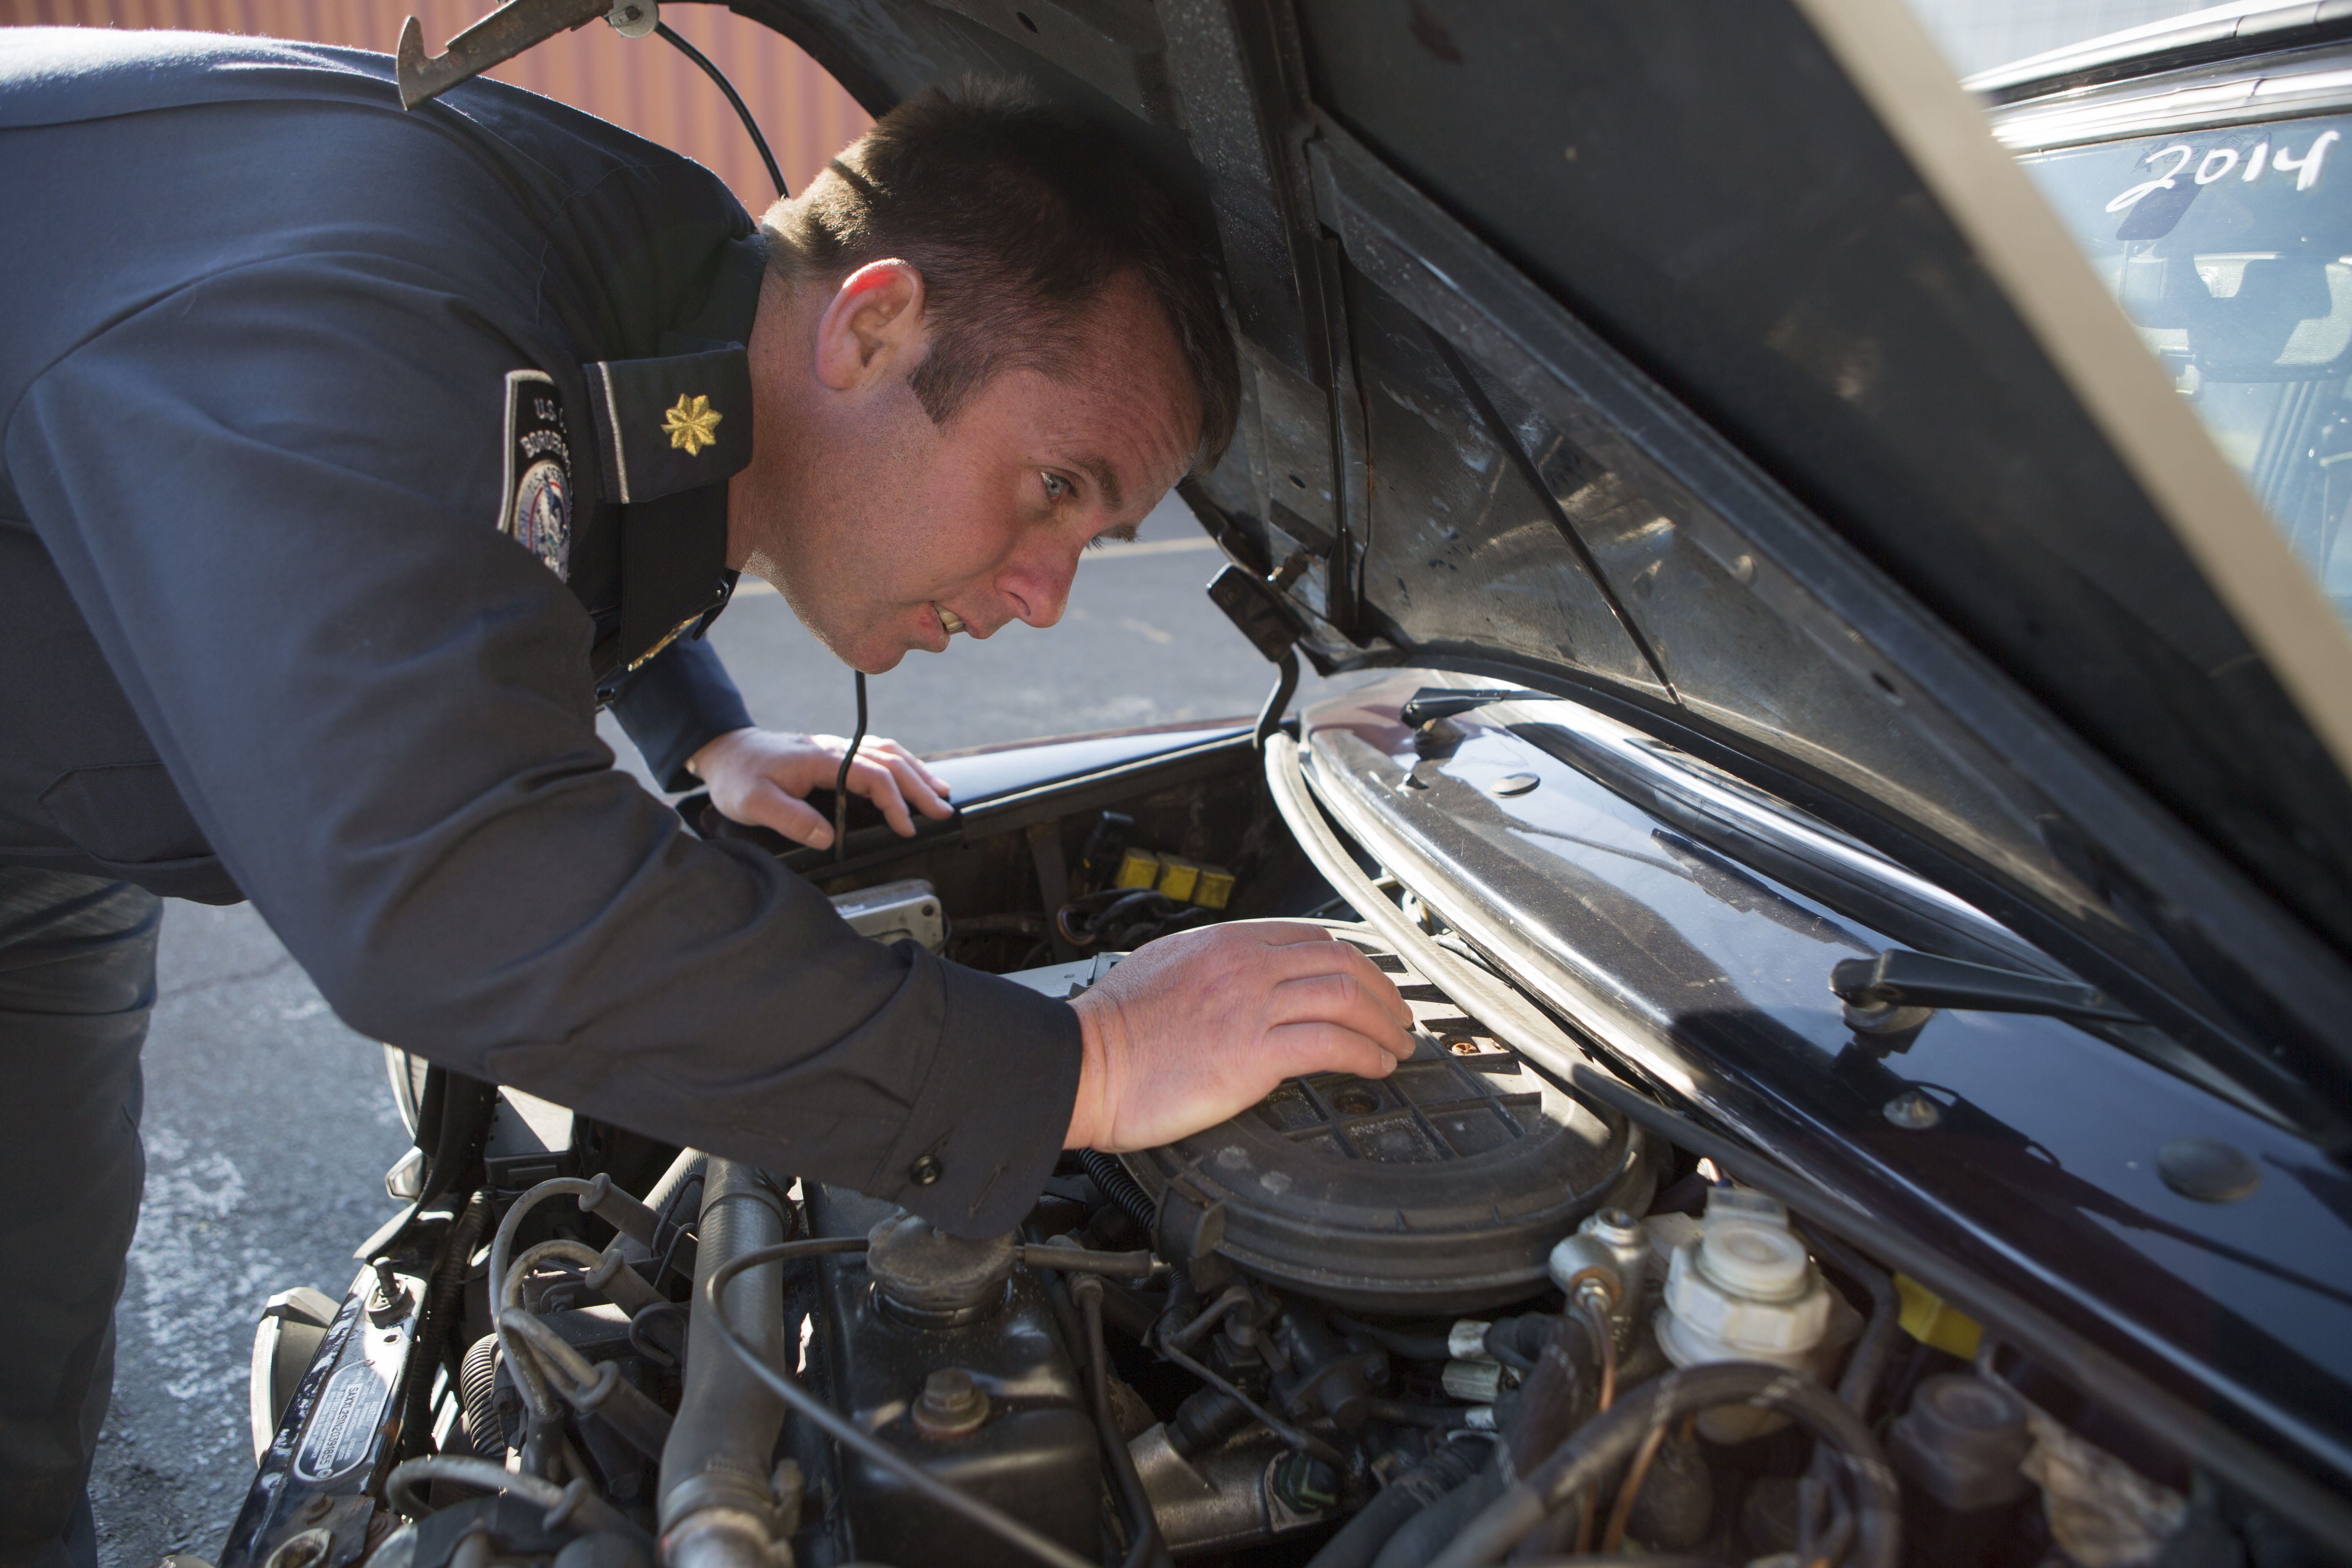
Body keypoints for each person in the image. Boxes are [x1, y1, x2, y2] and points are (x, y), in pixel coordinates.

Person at [0, 29, 1417, 1567]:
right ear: (873, 329)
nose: (1049, 594)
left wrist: (703, 733)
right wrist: (1080, 1067)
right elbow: (446, 890)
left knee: (28, 1322)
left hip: (48, 810)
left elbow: (533, 498)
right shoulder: (369, 305)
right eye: (1055, 490)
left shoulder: (661, 279)